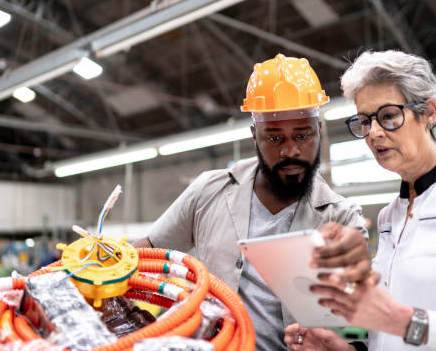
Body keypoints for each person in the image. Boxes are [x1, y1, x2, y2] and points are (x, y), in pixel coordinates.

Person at [285, 50, 436, 350]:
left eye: (388, 116)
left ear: (428, 112)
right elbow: (389, 335)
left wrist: (406, 321)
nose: (374, 133)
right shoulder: (390, 216)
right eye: (364, 121)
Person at [135, 53, 372, 351]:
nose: (290, 150)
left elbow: (364, 319)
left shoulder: (343, 218)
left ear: (319, 131)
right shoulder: (209, 191)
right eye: (274, 138)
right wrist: (93, 256)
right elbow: (148, 251)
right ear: (254, 135)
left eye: (302, 135)